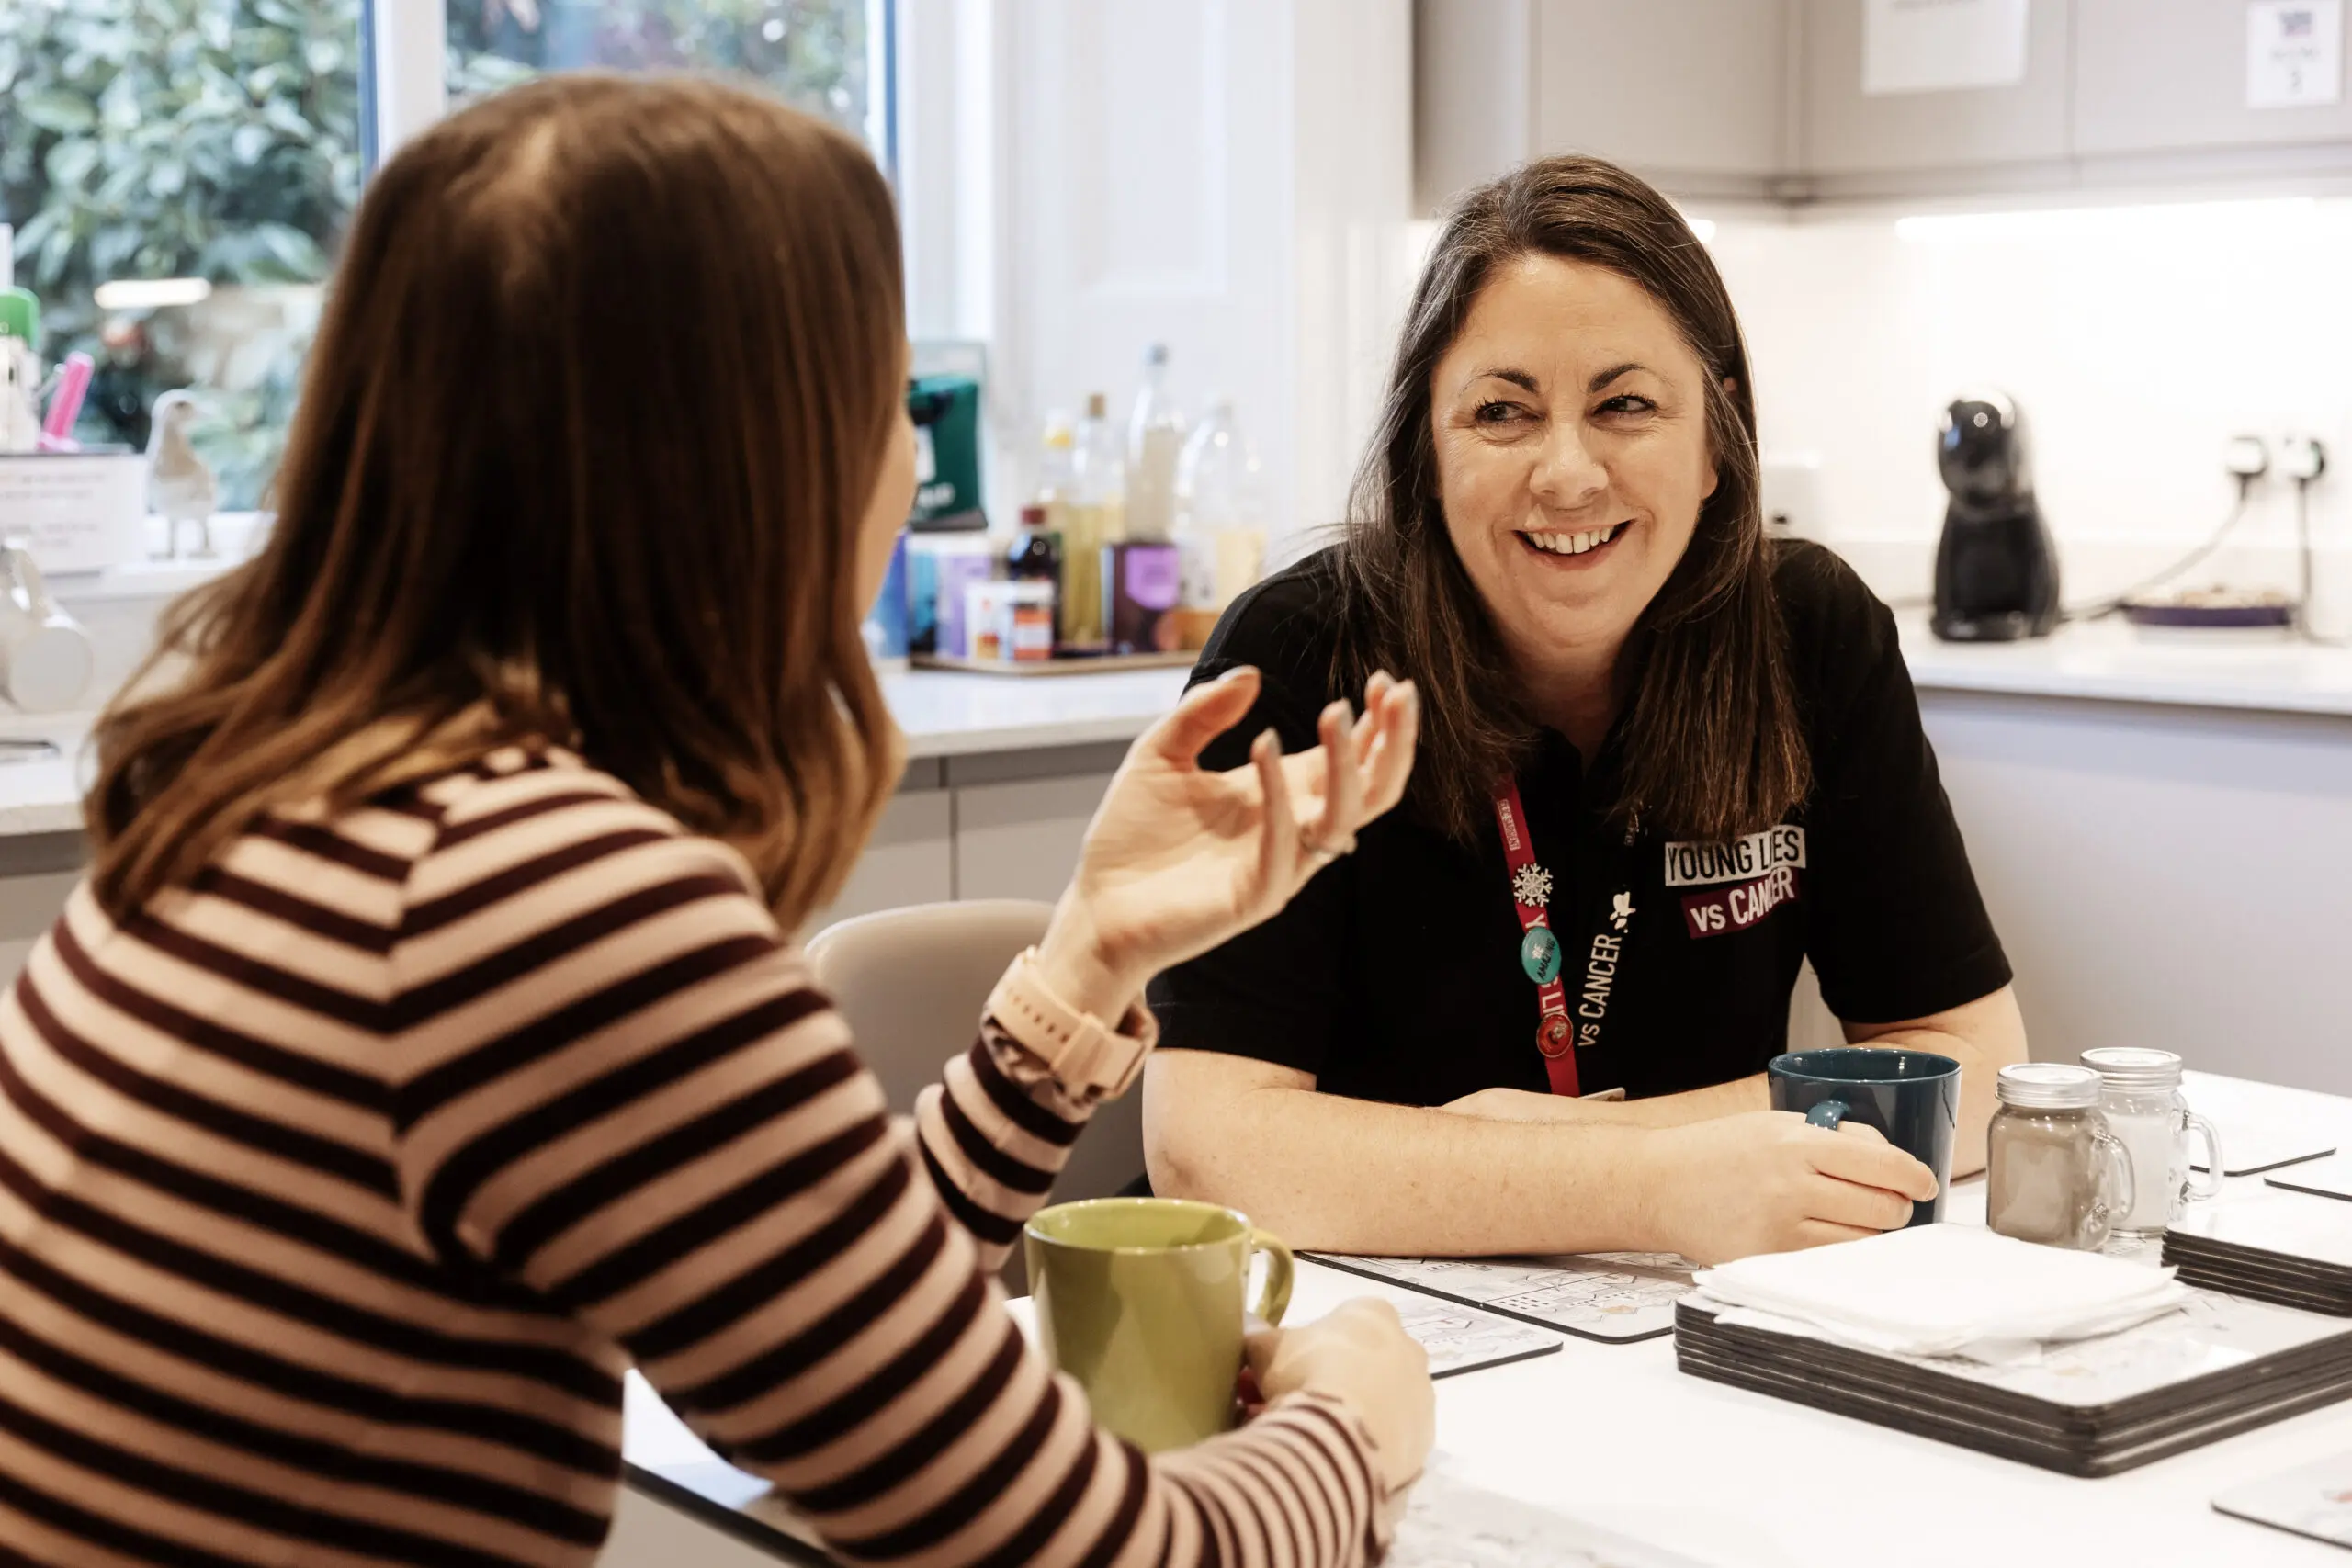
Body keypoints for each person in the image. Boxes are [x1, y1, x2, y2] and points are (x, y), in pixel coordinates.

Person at [0, 77, 1434, 1568]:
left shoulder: (269, 805)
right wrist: (1350, 1424)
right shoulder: (549, 905)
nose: (905, 458)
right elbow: (1070, 1548)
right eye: (882, 398)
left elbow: (801, 1355)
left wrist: (1085, 965)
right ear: (755, 465)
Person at [1144, 155, 2029, 1265]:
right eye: (1502, 411)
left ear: (1717, 442)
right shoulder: (1297, 654)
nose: (1567, 475)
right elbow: (1208, 1148)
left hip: (1685, 1316)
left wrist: (1593, 1158)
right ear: (1426, 452)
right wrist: (1661, 1184)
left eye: (1624, 404)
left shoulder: (1810, 633)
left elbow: (1970, 1058)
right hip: (1352, 1319)